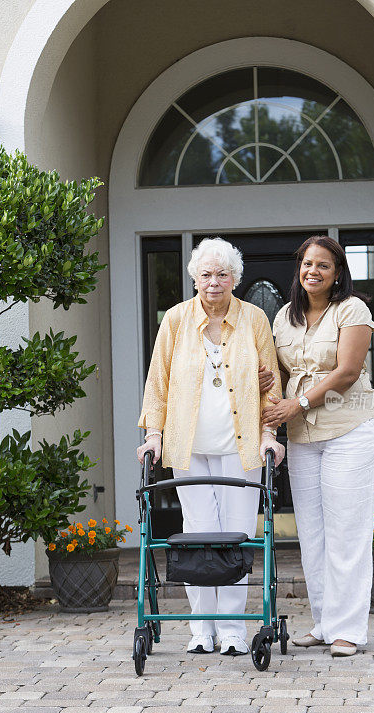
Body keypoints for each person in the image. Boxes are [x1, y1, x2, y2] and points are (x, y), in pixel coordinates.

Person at [137, 237, 285, 656]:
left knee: (237, 537)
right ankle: (201, 629)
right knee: (198, 537)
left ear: (235, 278)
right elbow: (158, 382)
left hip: (241, 449)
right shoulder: (176, 320)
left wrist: (269, 436)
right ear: (194, 278)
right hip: (189, 447)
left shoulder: (254, 319)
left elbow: (270, 382)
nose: (214, 282)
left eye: (222, 274)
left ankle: (234, 630)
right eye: (206, 274)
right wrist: (153, 434)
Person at [262, 235, 374, 657]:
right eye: (307, 264)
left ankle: (348, 629)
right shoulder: (283, 318)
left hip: (350, 428)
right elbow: (276, 371)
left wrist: (297, 403)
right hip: (302, 436)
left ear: (337, 275)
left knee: (346, 531)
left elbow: (348, 371)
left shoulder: (351, 310)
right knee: (312, 534)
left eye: (323, 266)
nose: (313, 271)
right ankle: (324, 622)